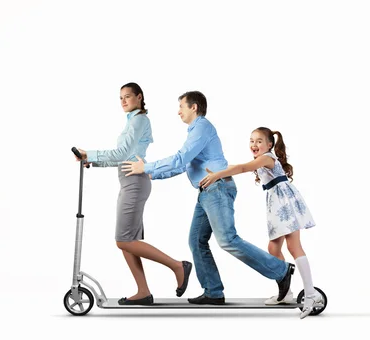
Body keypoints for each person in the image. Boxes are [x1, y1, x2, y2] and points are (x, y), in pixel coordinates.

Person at [121, 91, 295, 305]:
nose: (178, 112)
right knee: (196, 241)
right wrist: (150, 173)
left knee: (228, 240)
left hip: (217, 188)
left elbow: (180, 158)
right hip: (206, 191)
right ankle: (213, 291)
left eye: (181, 107)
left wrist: (146, 166)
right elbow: (184, 165)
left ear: (194, 107)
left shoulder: (202, 127)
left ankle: (281, 270)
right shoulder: (195, 132)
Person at [74, 82, 192, 305]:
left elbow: (123, 152)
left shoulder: (139, 120)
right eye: (121, 98)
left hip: (134, 183)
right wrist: (92, 162)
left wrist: (89, 152)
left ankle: (178, 266)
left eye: (128, 96)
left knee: (123, 240)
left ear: (139, 97)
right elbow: (123, 157)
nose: (124, 101)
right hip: (129, 181)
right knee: (129, 239)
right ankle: (143, 291)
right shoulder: (132, 122)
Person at [198, 127, 323, 319]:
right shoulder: (262, 160)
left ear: (269, 144)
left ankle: (311, 294)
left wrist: (218, 174)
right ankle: (286, 293)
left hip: (284, 202)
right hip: (276, 204)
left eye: (258, 141)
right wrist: (221, 171)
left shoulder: (267, 157)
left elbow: (241, 168)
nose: (254, 145)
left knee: (294, 246)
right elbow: (242, 167)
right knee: (273, 249)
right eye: (251, 141)